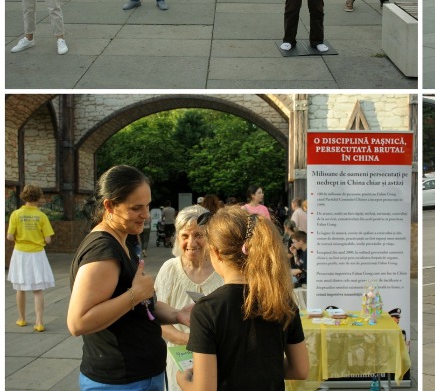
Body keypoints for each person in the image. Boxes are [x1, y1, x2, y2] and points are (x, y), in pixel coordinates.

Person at [67, 165, 193, 390]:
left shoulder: (122, 240)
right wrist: (135, 295)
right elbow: (78, 322)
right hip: (122, 381)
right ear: (109, 205)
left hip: (138, 376)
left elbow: (138, 307)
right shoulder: (103, 252)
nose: (145, 215)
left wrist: (177, 314)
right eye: (136, 208)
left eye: (147, 205)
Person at [176, 207, 309, 390]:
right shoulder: (282, 301)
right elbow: (300, 370)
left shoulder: (207, 309)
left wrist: (182, 380)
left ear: (215, 252)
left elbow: (203, 388)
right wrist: (266, 370)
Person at [154, 205, 223, 391]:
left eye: (199, 235)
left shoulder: (224, 269)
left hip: (220, 359)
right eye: (185, 236)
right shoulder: (169, 269)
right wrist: (189, 339)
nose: (191, 243)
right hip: (179, 361)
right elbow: (159, 321)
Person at [7, 184, 56, 332]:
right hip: (37, 254)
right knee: (38, 289)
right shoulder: (42, 216)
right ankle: (39, 322)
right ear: (38, 197)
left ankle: (22, 319)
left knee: (20, 288)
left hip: (20, 254)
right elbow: (48, 240)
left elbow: (9, 236)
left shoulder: (16, 214)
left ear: (24, 196)